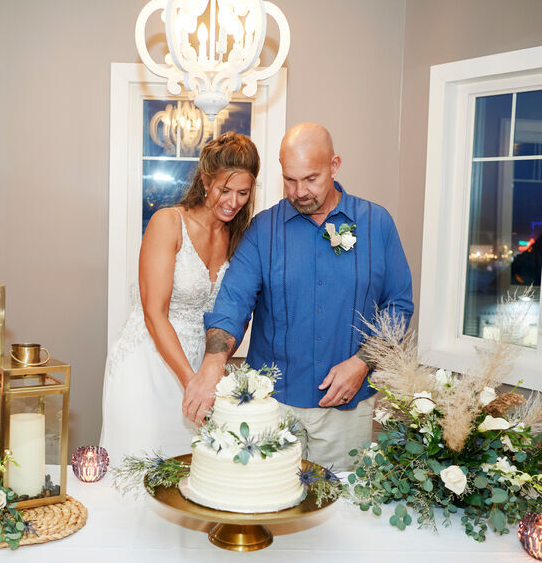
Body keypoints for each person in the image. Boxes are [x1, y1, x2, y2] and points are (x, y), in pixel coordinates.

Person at [182, 122, 414, 468]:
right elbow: (233, 303)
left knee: (337, 511)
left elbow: (398, 305)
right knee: (266, 505)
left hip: (345, 408)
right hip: (271, 407)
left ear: (334, 166)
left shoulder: (376, 224)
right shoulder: (263, 229)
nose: (299, 191)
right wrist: (213, 362)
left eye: (311, 179)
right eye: (290, 180)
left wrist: (362, 362)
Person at [99, 132, 261, 464]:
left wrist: (210, 375)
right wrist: (192, 382)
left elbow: (239, 308)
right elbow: (153, 314)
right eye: (224, 190)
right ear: (205, 181)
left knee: (191, 479)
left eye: (243, 192)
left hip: (202, 372)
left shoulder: (239, 236)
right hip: (149, 367)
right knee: (140, 471)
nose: (233, 201)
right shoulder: (169, 223)